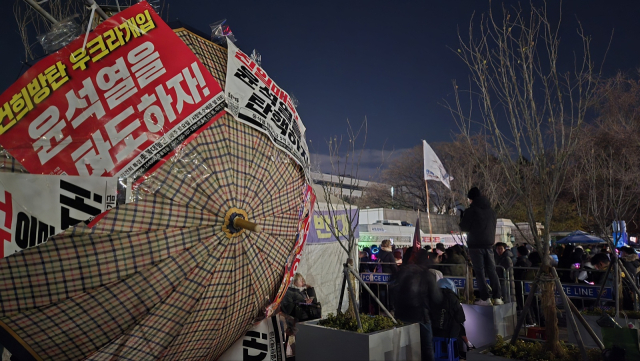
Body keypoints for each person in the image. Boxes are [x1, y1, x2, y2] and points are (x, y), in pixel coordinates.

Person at [391, 251, 443, 361]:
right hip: (420, 315)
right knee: (427, 347)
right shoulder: (427, 274)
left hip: (401, 314)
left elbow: (392, 290)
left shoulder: (402, 271)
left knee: (402, 347)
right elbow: (437, 298)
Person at [459, 187, 502, 306]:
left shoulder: (471, 211)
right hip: (489, 245)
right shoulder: (491, 211)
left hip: (475, 245)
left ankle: (485, 298)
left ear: (471, 198)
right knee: (492, 271)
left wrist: (462, 217)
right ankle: (498, 297)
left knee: (480, 272)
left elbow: (464, 227)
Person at [430, 278, 467, 359]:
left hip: (434, 333)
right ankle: (467, 347)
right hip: (450, 334)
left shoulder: (431, 296)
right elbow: (460, 318)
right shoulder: (452, 297)